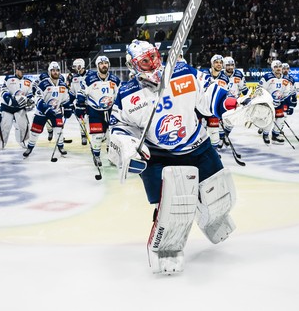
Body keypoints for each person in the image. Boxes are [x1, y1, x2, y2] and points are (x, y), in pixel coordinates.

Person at [107, 40, 274, 273]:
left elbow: (212, 94)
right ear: (134, 66)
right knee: (172, 210)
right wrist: (126, 145)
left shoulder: (184, 73)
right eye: (145, 61)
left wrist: (235, 106)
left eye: (154, 57)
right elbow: (118, 128)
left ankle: (212, 219)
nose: (153, 63)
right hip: (159, 156)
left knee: (219, 196)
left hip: (197, 145)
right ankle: (166, 249)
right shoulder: (127, 94)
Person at [75, 56, 120, 166]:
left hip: (110, 111)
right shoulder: (89, 79)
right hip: (95, 111)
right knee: (98, 135)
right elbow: (81, 92)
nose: (104, 65)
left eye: (106, 63)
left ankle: (111, 155)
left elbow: (119, 95)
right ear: (97, 65)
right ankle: (96, 155)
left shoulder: (115, 79)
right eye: (101, 63)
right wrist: (80, 104)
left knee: (111, 135)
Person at [23, 61, 73, 158]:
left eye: (57, 70)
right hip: (42, 112)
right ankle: (30, 147)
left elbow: (66, 99)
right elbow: (38, 98)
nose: (55, 72)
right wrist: (45, 109)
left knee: (59, 130)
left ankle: (61, 146)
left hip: (56, 111)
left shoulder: (63, 85)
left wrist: (67, 107)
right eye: (53, 70)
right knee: (35, 131)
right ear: (49, 72)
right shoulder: (43, 84)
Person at [0, 65, 33, 149]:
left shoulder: (28, 81)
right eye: (20, 70)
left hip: (20, 107)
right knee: (5, 126)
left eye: (23, 70)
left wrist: (30, 100)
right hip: (7, 107)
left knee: (24, 125)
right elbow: (4, 90)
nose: (21, 72)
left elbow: (30, 93)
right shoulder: (8, 78)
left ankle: (24, 141)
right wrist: (9, 100)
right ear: (16, 70)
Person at [257, 60, 293, 145]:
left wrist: (282, 98)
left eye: (280, 67)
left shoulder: (285, 79)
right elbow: (260, 89)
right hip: (268, 104)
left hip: (278, 103)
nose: (278, 69)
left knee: (281, 119)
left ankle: (275, 136)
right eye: (276, 67)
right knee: (269, 120)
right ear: (272, 68)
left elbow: (287, 92)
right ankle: (265, 134)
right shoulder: (267, 77)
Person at [200, 54, 229, 149]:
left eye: (221, 63)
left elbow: (224, 95)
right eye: (216, 62)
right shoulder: (203, 74)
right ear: (212, 63)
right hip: (201, 107)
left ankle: (214, 152)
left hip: (213, 109)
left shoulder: (225, 79)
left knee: (214, 133)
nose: (219, 64)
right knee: (200, 132)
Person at [70, 58, 89, 145]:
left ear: (80, 66)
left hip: (90, 102)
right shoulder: (74, 78)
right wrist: (70, 102)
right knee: (81, 120)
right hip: (79, 103)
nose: (74, 68)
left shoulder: (91, 75)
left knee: (92, 120)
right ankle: (83, 135)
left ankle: (100, 135)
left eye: (75, 66)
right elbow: (72, 92)